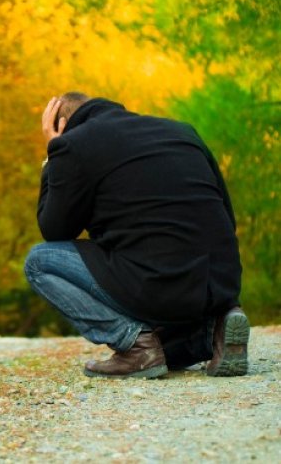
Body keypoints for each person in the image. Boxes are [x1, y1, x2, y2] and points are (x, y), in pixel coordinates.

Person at [23, 93, 249, 378]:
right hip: (219, 283)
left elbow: (54, 230)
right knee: (168, 345)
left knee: (39, 262)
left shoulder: (73, 144)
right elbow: (227, 217)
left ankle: (135, 345)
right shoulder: (182, 132)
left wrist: (52, 156)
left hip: (159, 285)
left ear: (62, 125)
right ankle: (215, 329)